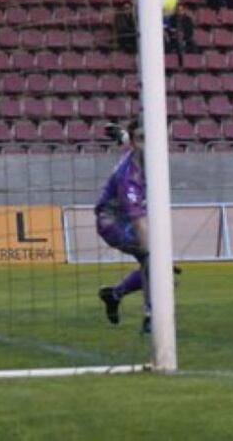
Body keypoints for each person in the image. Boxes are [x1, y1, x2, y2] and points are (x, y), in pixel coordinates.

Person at [96, 119, 151, 333]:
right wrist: (154, 255)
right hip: (113, 221)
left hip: (127, 218)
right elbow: (137, 219)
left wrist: (121, 135)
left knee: (155, 266)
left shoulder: (145, 151)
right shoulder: (129, 176)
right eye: (141, 139)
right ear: (136, 143)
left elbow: (137, 138)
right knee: (153, 262)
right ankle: (151, 318)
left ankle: (114, 294)